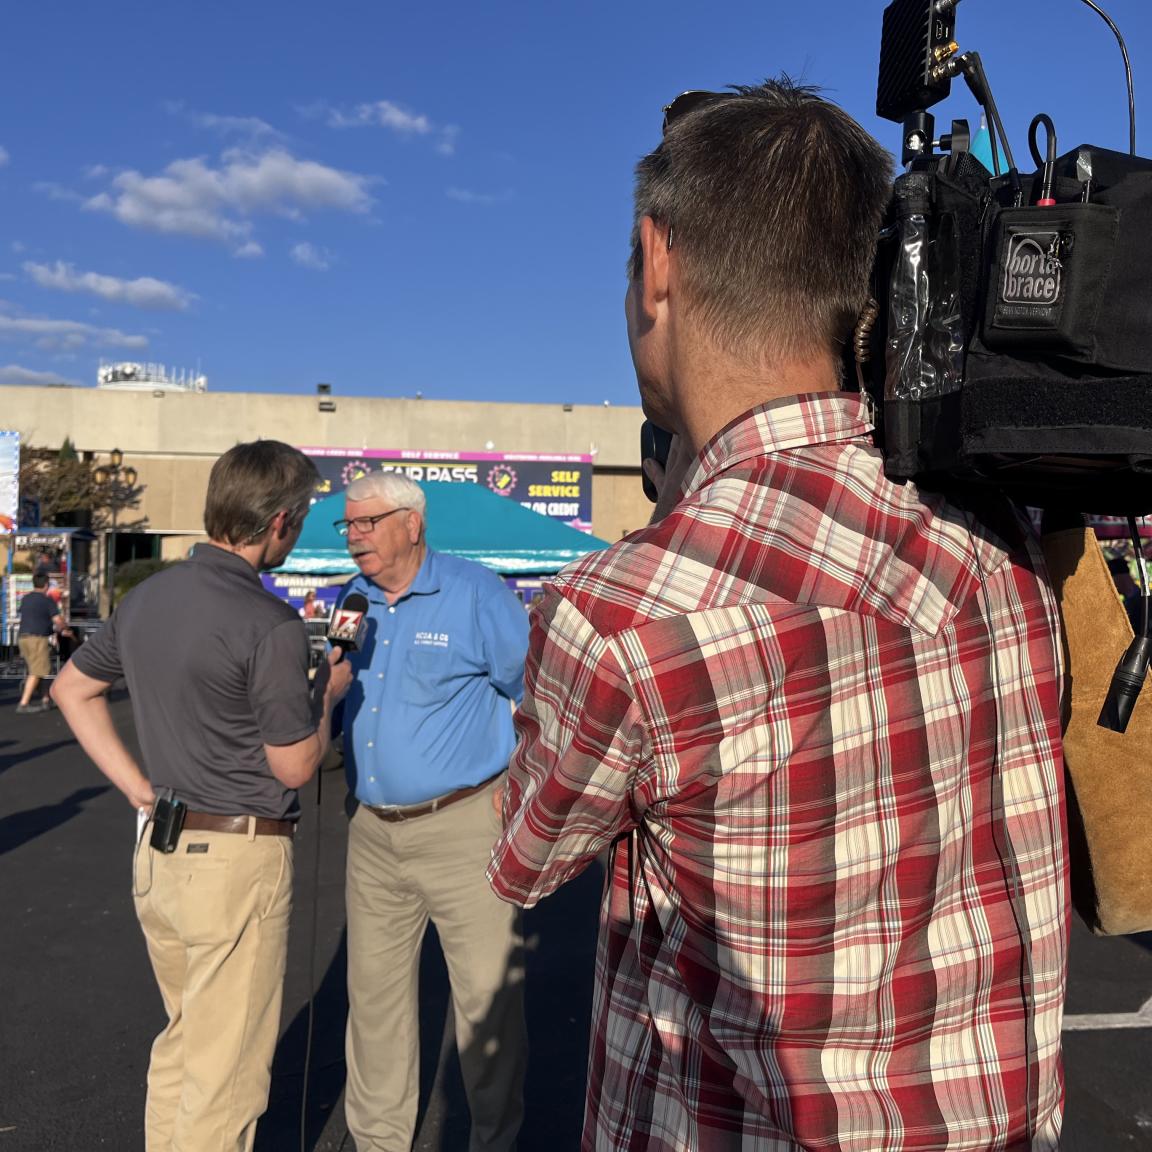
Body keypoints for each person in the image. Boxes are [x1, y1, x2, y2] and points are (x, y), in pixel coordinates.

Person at [489, 81, 1068, 1150]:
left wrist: (680, 495)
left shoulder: (623, 614)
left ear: (659, 262)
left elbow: (528, 855)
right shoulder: (1001, 531)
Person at [52, 440, 353, 1152]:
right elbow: (294, 767)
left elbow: (73, 689)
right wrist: (329, 698)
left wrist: (139, 791)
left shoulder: (148, 597)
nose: (301, 527)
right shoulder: (270, 624)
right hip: (236, 862)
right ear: (279, 520)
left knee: (184, 1047)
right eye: (303, 515)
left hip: (161, 854)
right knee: (226, 1077)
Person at [335, 470, 528, 1152]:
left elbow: (534, 694)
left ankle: (493, 1140)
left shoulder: (477, 593)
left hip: (465, 828)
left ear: (412, 523)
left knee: (484, 1003)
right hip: (370, 832)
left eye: (368, 522)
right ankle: (378, 1142)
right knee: (374, 1004)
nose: (355, 536)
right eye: (349, 525)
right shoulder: (353, 599)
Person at [16, 571, 63, 713]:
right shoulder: (47, 600)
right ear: (46, 585)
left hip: (23, 637)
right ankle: (23, 704)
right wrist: (64, 628)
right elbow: (57, 620)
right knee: (37, 671)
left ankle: (45, 699)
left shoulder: (26, 599)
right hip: (37, 638)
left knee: (40, 669)